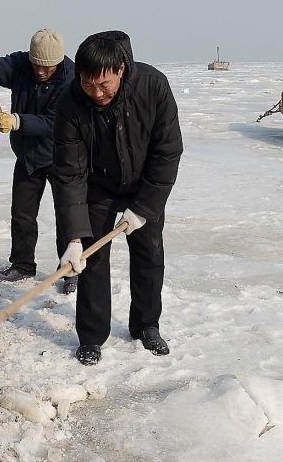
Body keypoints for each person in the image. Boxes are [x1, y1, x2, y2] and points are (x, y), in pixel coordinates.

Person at [52, 30, 183, 365]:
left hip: (144, 185)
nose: (96, 93)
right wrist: (74, 236)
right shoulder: (70, 102)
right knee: (92, 258)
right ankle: (92, 336)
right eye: (88, 84)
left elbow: (167, 152)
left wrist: (143, 208)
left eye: (104, 85)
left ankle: (146, 325)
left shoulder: (153, 86)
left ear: (121, 70)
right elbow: (69, 173)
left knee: (149, 254)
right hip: (97, 186)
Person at [0, 29, 77, 292]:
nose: (40, 71)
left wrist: (17, 121)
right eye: (36, 64)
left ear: (58, 62)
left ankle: (69, 269)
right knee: (23, 214)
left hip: (63, 156)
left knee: (68, 215)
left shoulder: (71, 78)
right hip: (28, 155)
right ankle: (23, 265)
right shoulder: (21, 64)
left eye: (47, 67)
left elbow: (55, 121)